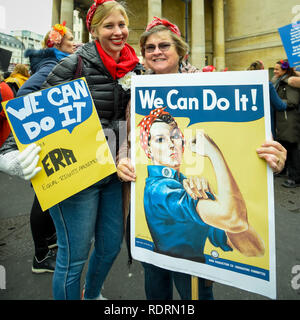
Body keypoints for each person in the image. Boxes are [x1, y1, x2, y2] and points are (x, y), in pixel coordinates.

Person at [117, 17, 287, 300]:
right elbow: (127, 141)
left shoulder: (211, 84)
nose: (156, 52)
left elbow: (251, 244)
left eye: (163, 45)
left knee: (194, 290)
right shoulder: (137, 95)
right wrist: (123, 160)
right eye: (149, 47)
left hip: (195, 229)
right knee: (157, 283)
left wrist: (270, 160)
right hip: (154, 213)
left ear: (180, 50)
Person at [41, 0, 143, 300]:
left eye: (122, 25)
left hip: (113, 172)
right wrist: (10, 153)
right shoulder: (74, 63)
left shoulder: (136, 68)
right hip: (77, 173)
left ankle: (92, 294)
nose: (118, 32)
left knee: (111, 245)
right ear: (94, 30)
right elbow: (30, 108)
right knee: (73, 258)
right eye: (109, 26)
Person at [0, 21, 76, 274]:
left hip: (47, 140)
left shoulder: (55, 63)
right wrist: (43, 120)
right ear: (57, 44)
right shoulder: (52, 66)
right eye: (71, 40)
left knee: (49, 197)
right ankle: (41, 257)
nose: (75, 43)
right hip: (42, 142)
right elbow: (22, 99)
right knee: (43, 199)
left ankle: (49, 243)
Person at [272, 59, 300, 187]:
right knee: (284, 146)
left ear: (285, 70)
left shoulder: (290, 83)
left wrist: (276, 101)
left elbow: (292, 101)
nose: (275, 71)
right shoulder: (279, 82)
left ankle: (295, 178)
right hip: (283, 119)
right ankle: (284, 170)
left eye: (277, 69)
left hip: (290, 119)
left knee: (292, 148)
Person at [247, 60, 287, 138]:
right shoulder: (267, 85)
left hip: (250, 124)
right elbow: (280, 105)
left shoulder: (246, 85)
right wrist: (288, 101)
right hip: (266, 125)